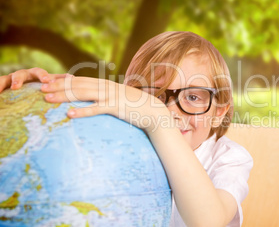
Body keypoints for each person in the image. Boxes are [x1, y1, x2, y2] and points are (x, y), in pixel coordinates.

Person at [0, 31, 253, 226]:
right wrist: (35, 93)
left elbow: (208, 221)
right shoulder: (123, 138)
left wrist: (156, 117)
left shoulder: (229, 157)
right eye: (154, 96)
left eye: (194, 98)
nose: (171, 112)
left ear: (219, 111)